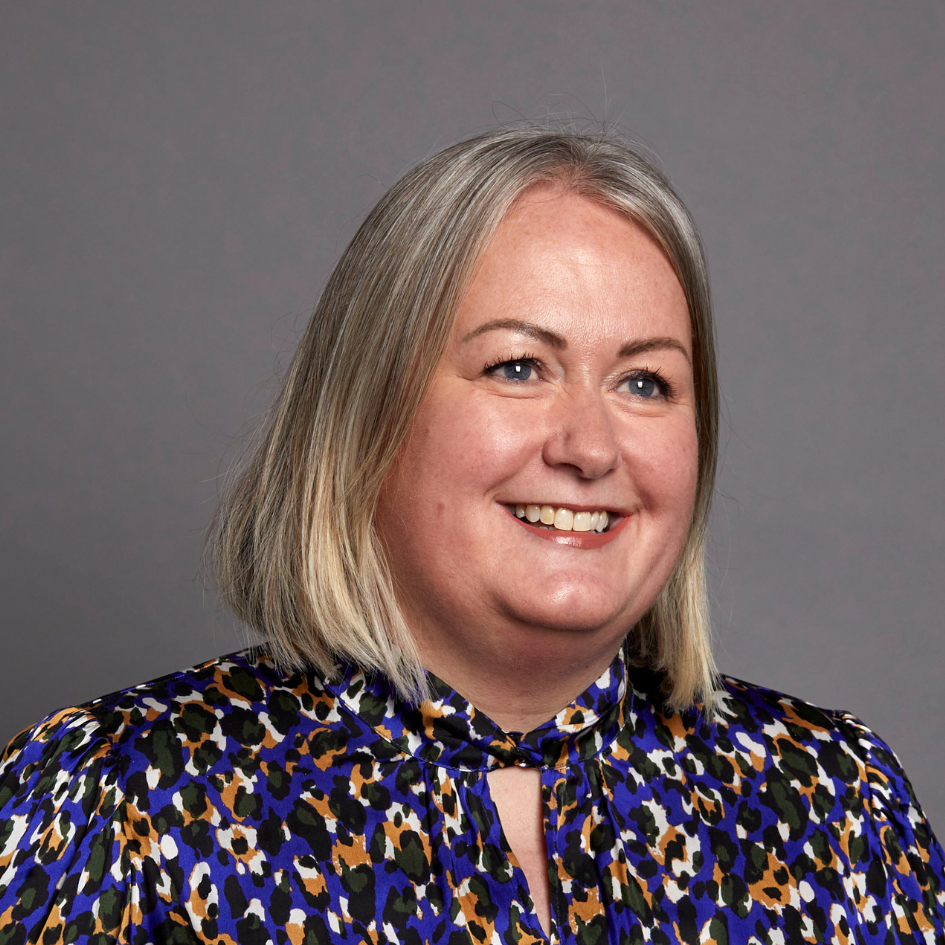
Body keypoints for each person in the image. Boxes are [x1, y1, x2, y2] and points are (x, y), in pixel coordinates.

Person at [1, 128, 942, 944]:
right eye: (518, 366)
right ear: (363, 415)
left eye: (644, 381)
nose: (589, 447)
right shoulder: (114, 799)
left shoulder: (835, 805)